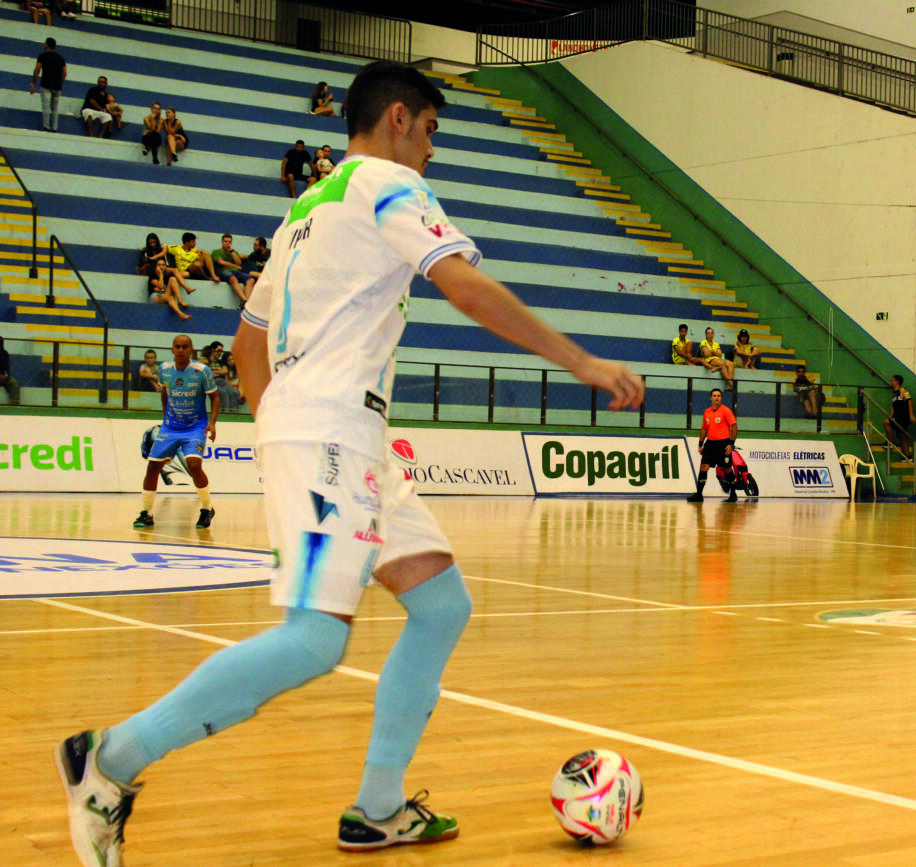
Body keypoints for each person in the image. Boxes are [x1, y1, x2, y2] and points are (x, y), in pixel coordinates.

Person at [56, 60, 645, 866]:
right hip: (331, 431)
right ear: (398, 118)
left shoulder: (307, 206)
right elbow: (465, 288)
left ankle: (377, 808)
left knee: (441, 605)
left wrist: (278, 425)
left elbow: (248, 344)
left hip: (344, 436)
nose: (434, 150)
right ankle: (110, 759)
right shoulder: (384, 185)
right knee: (313, 641)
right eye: (432, 131)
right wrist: (581, 362)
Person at [128, 333, 218, 533]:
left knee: (194, 465)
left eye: (184, 347)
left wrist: (212, 423)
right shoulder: (165, 370)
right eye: (177, 346)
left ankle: (206, 509)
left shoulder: (201, 370)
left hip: (195, 426)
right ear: (172, 350)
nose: (180, 350)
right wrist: (165, 419)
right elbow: (164, 393)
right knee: (153, 467)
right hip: (171, 426)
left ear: (191, 349)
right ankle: (146, 513)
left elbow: (215, 396)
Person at [688, 387, 738, 503]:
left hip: (723, 443)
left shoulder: (726, 411)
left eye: (719, 396)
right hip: (710, 443)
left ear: (721, 398)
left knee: (727, 468)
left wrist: (731, 444)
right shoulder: (707, 412)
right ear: (711, 398)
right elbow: (704, 429)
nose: (717, 397)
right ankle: (699, 495)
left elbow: (734, 427)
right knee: (703, 467)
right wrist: (700, 444)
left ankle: (733, 495)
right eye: (714, 396)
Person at [30, 38, 66, 133]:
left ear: (46, 45)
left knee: (46, 106)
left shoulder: (42, 56)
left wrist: (33, 83)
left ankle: (46, 127)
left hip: (46, 84)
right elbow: (64, 73)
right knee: (55, 108)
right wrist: (60, 83)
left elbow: (37, 70)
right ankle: (54, 128)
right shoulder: (60, 58)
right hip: (57, 86)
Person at [211, 233, 252, 304]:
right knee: (233, 278)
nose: (227, 243)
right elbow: (221, 262)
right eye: (225, 241)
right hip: (224, 272)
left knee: (250, 279)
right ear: (222, 242)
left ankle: (247, 303)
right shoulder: (216, 252)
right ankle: (244, 300)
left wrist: (232, 251)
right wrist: (235, 266)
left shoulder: (234, 252)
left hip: (236, 272)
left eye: (229, 242)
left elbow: (239, 263)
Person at [883, 374, 915, 459]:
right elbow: (894, 406)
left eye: (892, 380)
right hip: (897, 416)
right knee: (902, 436)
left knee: (886, 423)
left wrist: (911, 414)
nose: (891, 382)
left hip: (903, 417)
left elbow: (909, 401)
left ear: (897, 381)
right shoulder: (894, 394)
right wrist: (891, 416)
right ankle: (907, 456)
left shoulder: (903, 390)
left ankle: (891, 441)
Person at [0, 336, 20, 404]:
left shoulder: (5, 353)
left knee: (14, 384)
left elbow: (7, 368)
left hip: (4, 377)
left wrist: (6, 375)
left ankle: (14, 407)